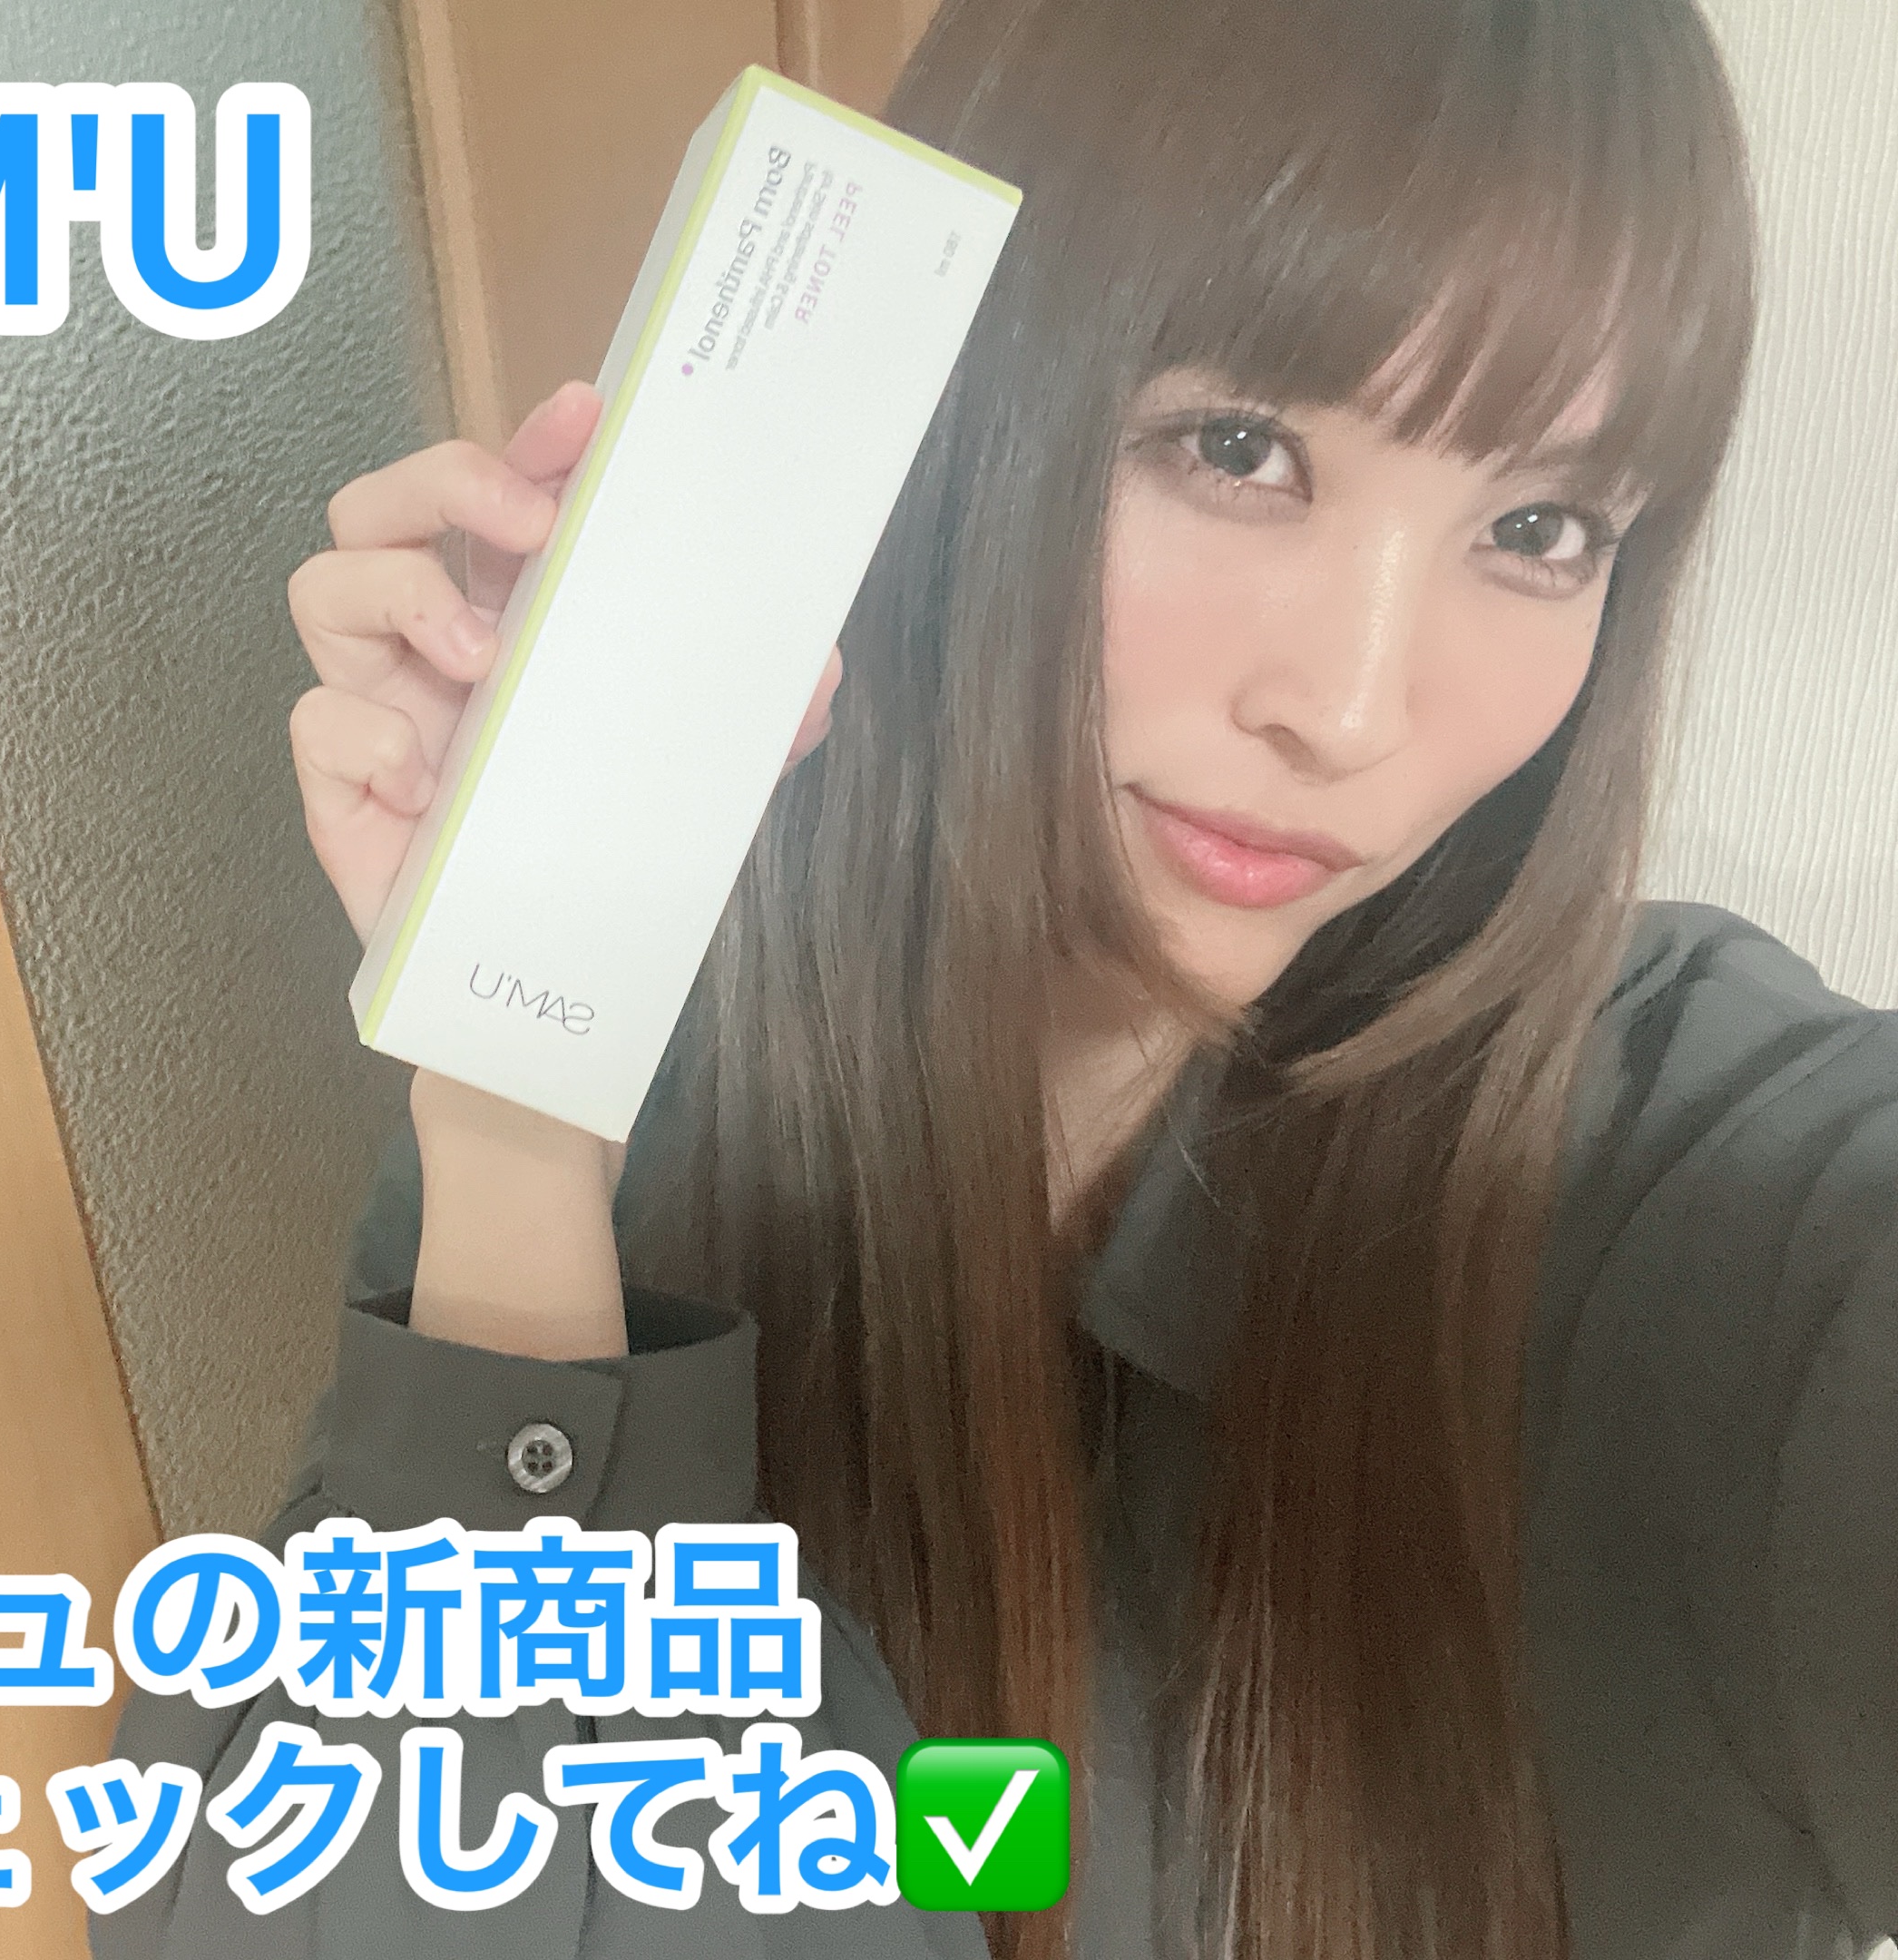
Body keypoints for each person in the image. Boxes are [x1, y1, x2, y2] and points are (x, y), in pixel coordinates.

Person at [93, 0, 1898, 1954]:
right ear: (948, 410)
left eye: (1539, 529)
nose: (1353, 709)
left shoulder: (1689, 1182)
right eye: (1238, 449)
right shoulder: (644, 1113)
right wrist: (519, 1108)